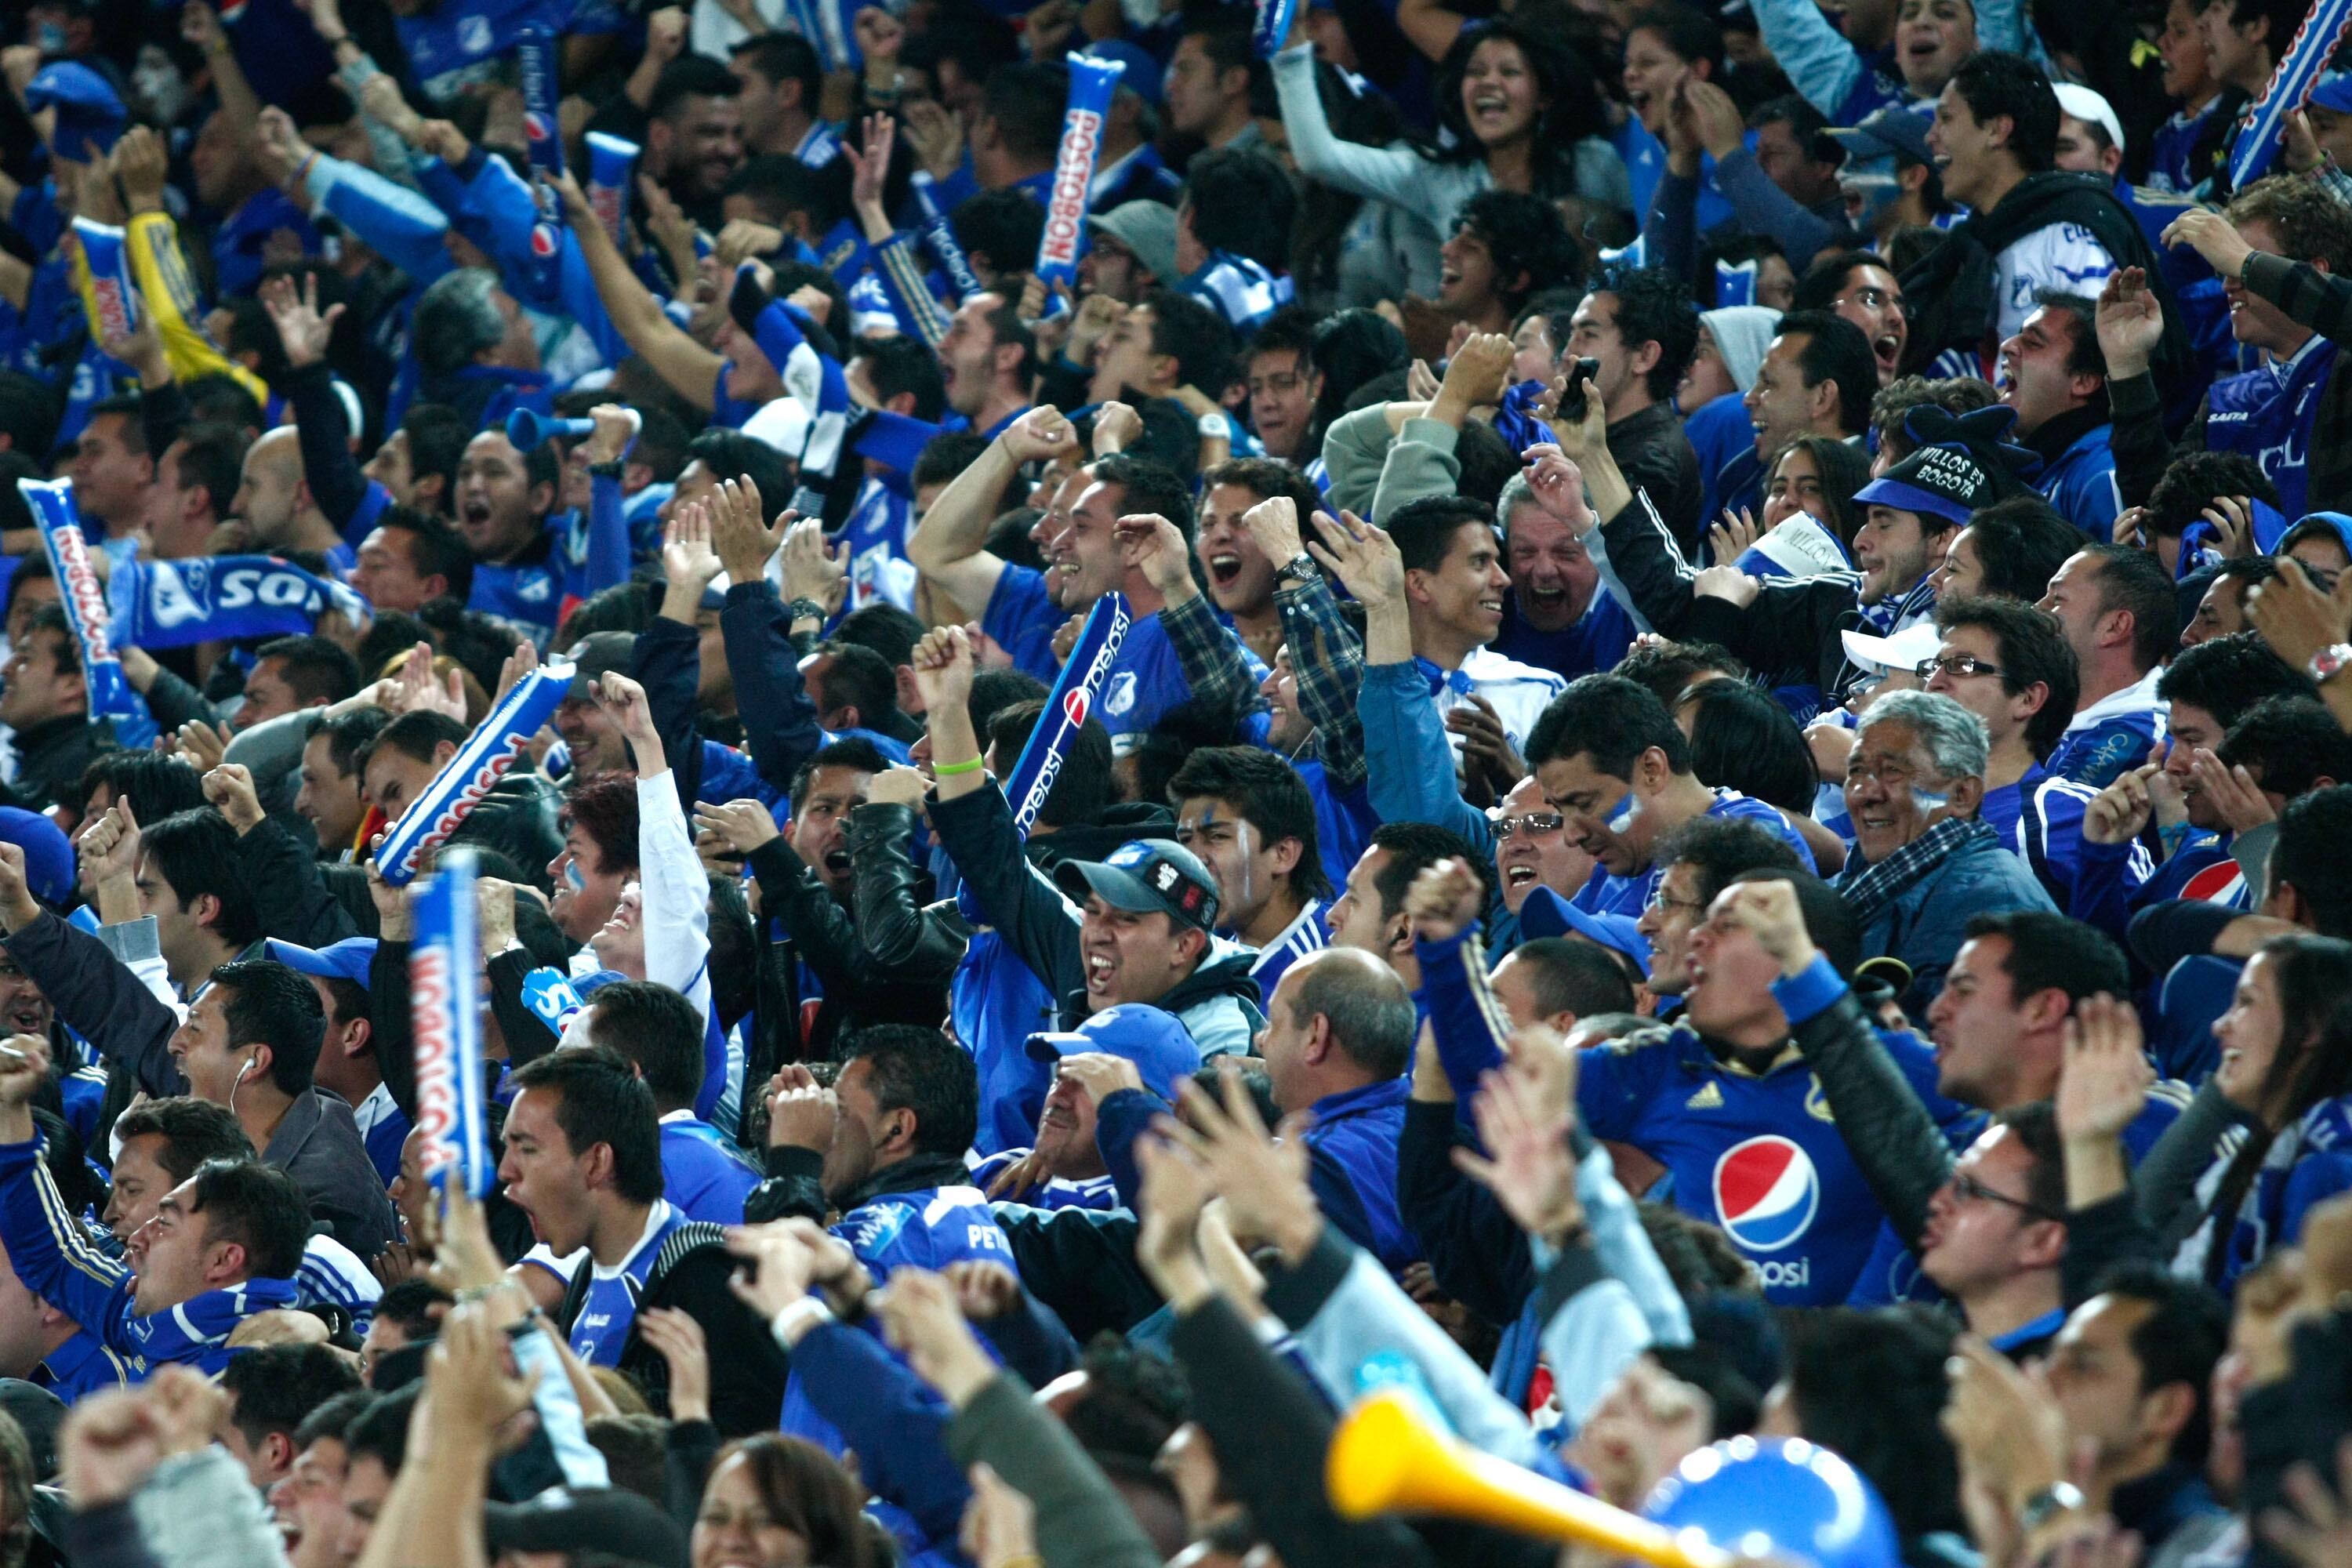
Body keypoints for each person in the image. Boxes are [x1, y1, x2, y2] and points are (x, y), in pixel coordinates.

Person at [503, 1049, 784, 1435]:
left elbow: (749, 1457)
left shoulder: (706, 1278)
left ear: (597, 1162)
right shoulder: (586, 1277)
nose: (506, 1171)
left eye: (527, 1149)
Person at [1835, 690, 2058, 1011]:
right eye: (1856, 770)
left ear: (1963, 795)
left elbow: (1946, 1039)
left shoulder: (1991, 905)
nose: (1863, 793)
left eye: (1892, 771)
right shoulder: (1867, 880)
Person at [1169, 746, 1332, 1007]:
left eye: (1217, 836)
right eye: (1186, 840)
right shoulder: (1204, 960)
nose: (1193, 860)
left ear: (1283, 854)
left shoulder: (1333, 968)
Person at [2037, 543, 2176, 787]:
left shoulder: (2134, 738)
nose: (2037, 609)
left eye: (2057, 599)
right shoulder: (2052, 711)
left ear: (2114, 627)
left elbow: (2035, 813)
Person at [1998, 293, 2121, 537]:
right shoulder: (2037, 463)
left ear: (2083, 381)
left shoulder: (2100, 473)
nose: (2007, 346)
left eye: (2032, 343)